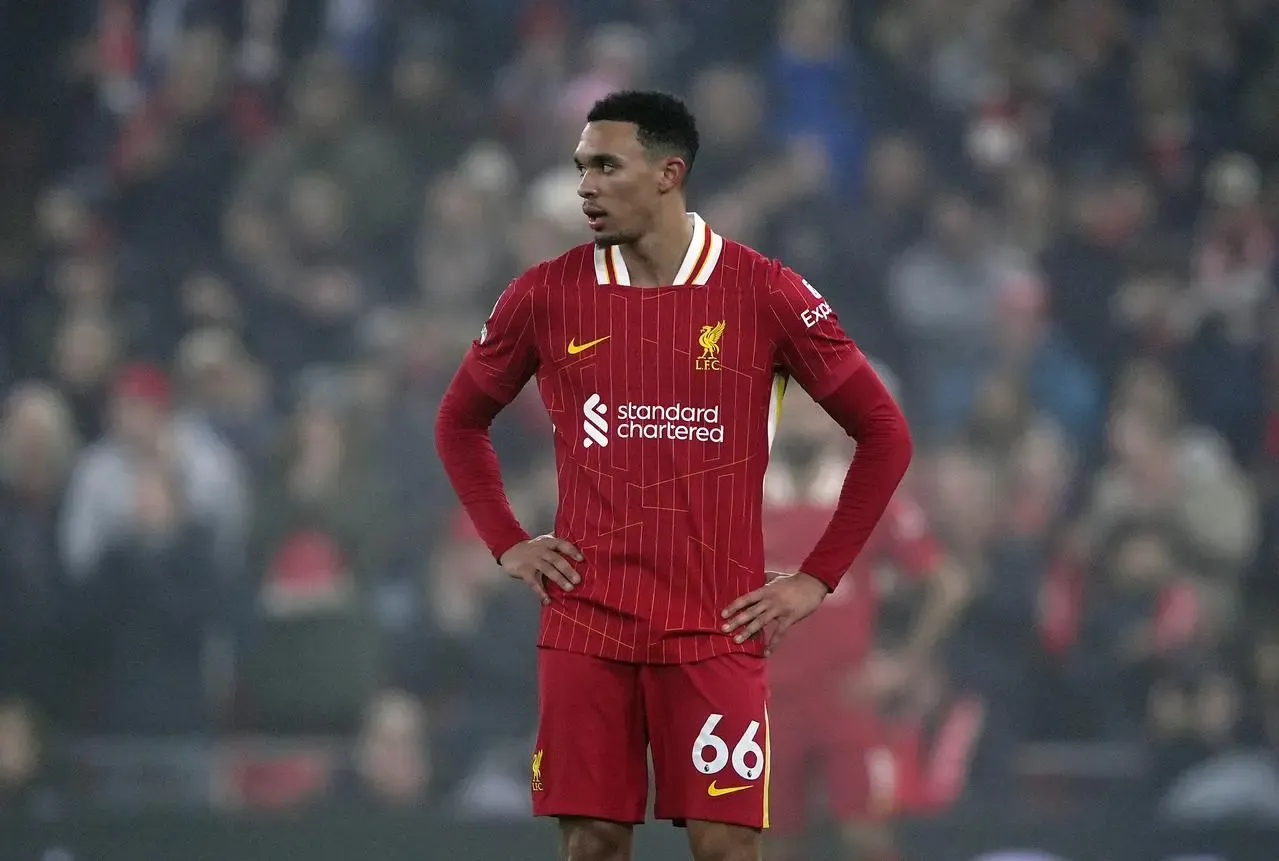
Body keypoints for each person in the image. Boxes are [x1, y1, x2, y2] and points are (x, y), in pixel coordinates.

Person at [435, 91, 912, 861]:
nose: (584, 186)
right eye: (579, 168)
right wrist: (506, 540)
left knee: (726, 845)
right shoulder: (545, 294)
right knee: (591, 841)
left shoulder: (766, 291)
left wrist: (814, 579)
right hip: (588, 623)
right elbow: (458, 419)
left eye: (604, 167)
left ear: (668, 173)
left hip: (713, 627)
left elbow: (883, 432)